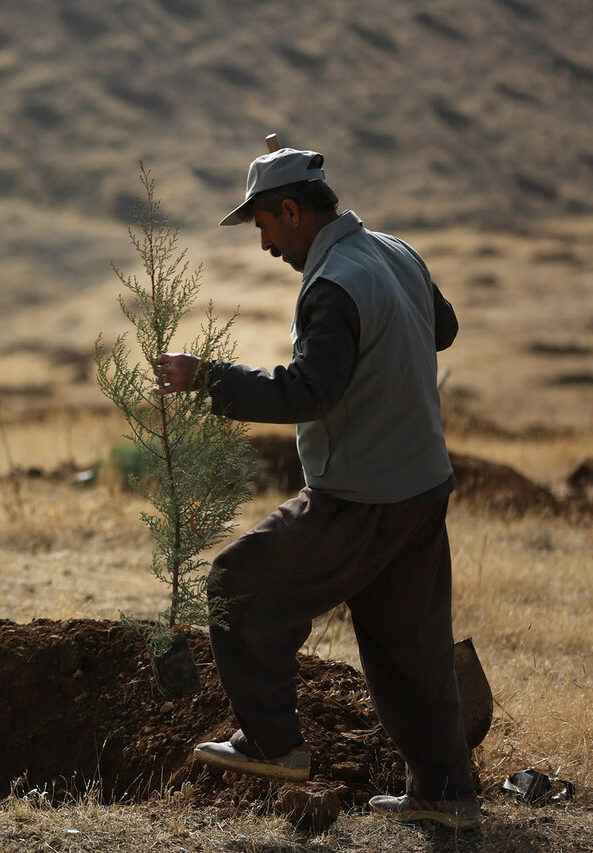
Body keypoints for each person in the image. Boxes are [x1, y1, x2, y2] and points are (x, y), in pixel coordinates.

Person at [153, 141, 480, 830]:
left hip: (359, 495)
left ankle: (272, 744)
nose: (266, 243)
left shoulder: (334, 284)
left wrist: (207, 377)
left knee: (235, 585)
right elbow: (442, 329)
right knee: (409, 648)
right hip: (421, 487)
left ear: (293, 210)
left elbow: (311, 390)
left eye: (265, 226)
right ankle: (446, 794)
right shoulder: (395, 254)